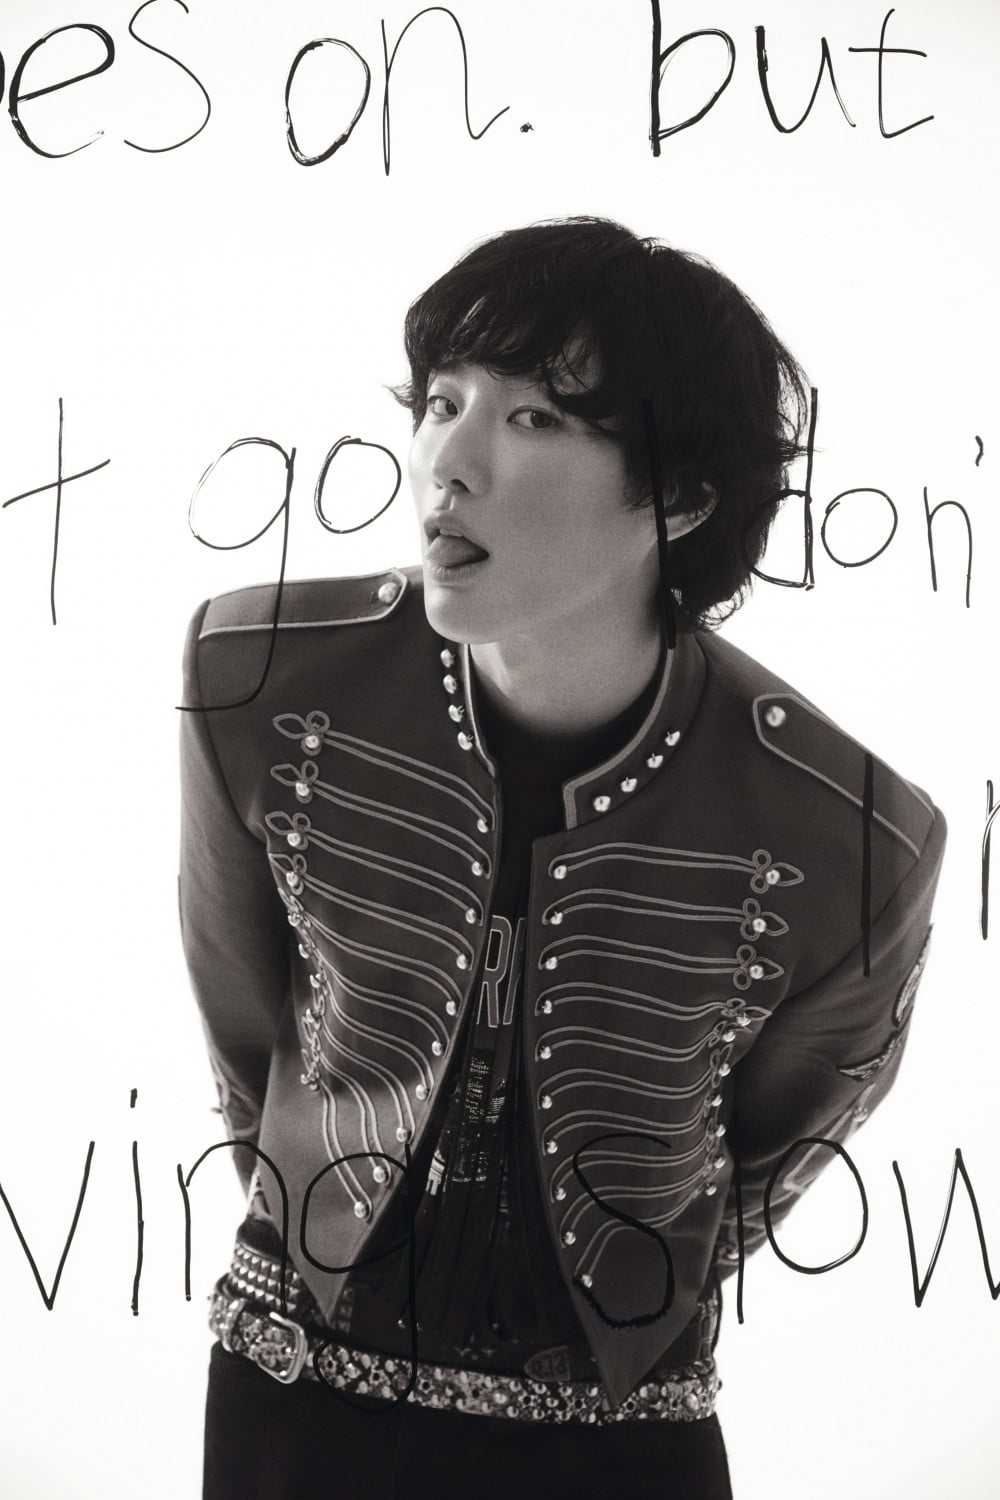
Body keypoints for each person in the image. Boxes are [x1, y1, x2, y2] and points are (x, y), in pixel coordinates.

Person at [179, 217, 945, 1499]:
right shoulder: (256, 678)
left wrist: (616, 1290)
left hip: (618, 1442)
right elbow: (250, 1029)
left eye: (534, 418)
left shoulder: (856, 836)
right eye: (441, 402)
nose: (449, 461)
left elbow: (762, 1158)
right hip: (289, 1398)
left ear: (680, 497)